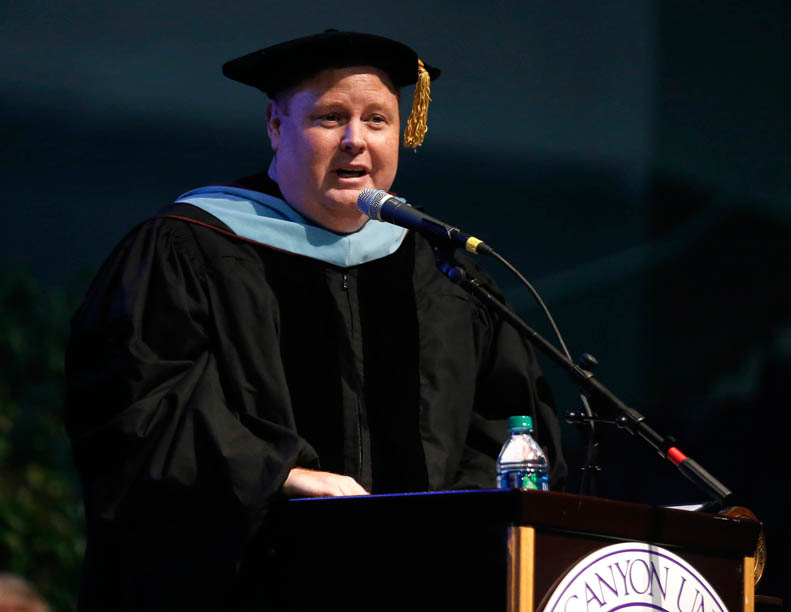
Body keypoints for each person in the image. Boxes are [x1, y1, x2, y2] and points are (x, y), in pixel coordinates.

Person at [64, 30, 565, 610]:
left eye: (377, 120)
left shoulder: (441, 270)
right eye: (330, 118)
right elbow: (139, 411)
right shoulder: (187, 250)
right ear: (277, 127)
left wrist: (453, 524)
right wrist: (282, 476)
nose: (356, 141)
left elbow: (510, 425)